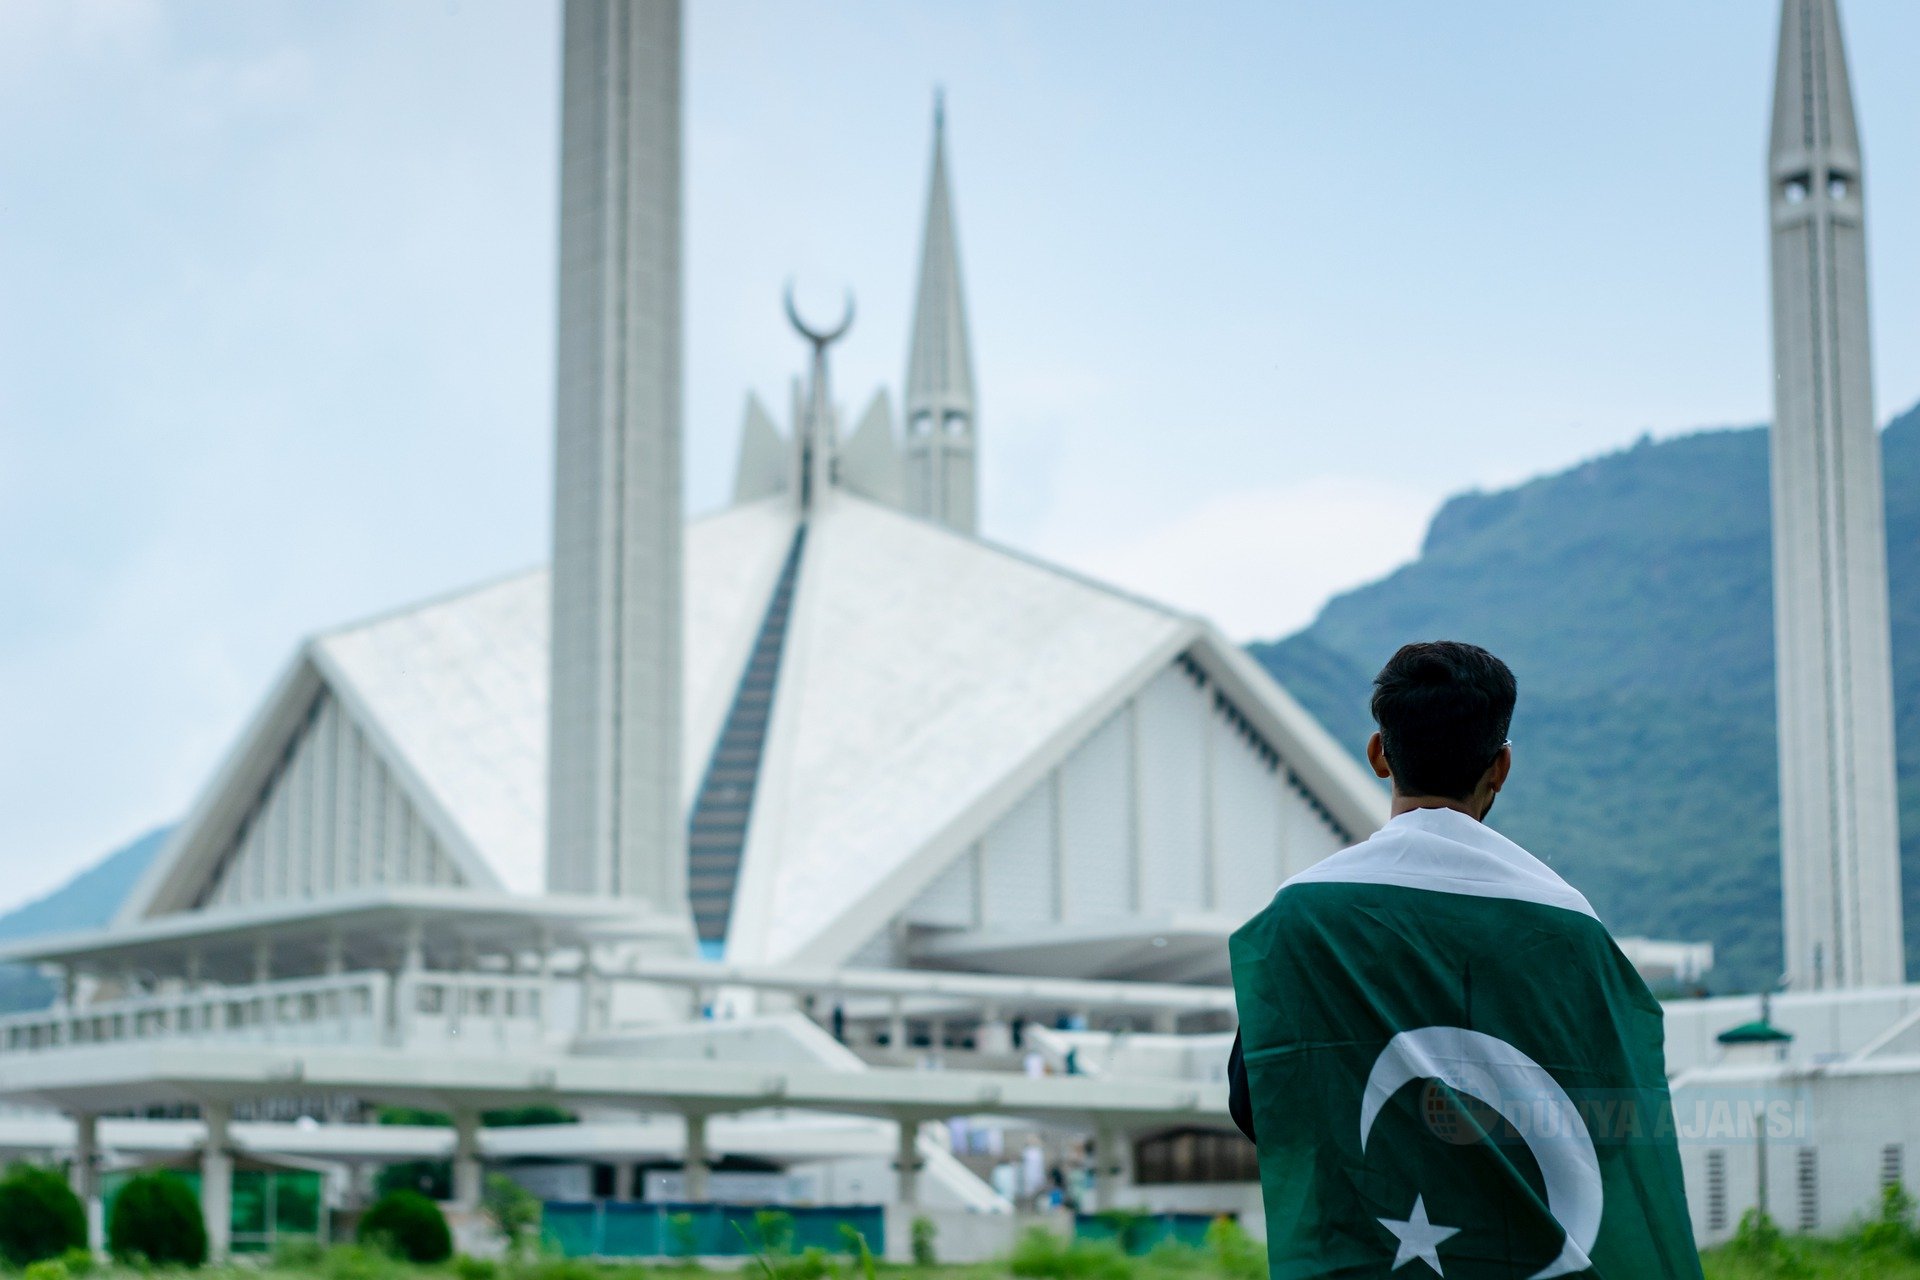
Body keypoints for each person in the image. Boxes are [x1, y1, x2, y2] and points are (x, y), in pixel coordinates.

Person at [1228, 641, 1701, 1279]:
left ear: (1377, 754)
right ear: (1501, 766)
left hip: (1373, 1253)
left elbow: (1258, 1097)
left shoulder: (1304, 914)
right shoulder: (1572, 926)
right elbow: (1613, 1122)